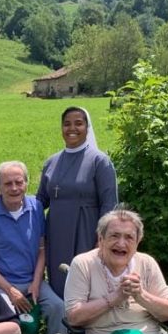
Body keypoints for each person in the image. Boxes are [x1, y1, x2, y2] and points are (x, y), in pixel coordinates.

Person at [0, 161, 64, 334]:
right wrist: (10, 291)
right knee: (4, 312)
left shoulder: (36, 207)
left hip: (34, 281)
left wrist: (36, 282)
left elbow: (42, 249)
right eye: (8, 184)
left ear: (26, 183)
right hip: (2, 284)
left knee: (58, 307)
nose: (14, 188)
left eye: (19, 182)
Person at [38, 106, 118, 296]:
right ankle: (61, 323)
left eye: (78, 123)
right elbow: (41, 199)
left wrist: (102, 240)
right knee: (58, 278)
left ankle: (83, 323)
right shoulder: (52, 162)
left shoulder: (100, 161)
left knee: (84, 281)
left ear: (87, 128)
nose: (72, 128)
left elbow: (109, 203)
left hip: (87, 231)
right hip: (56, 232)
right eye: (67, 124)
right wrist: (12, 202)